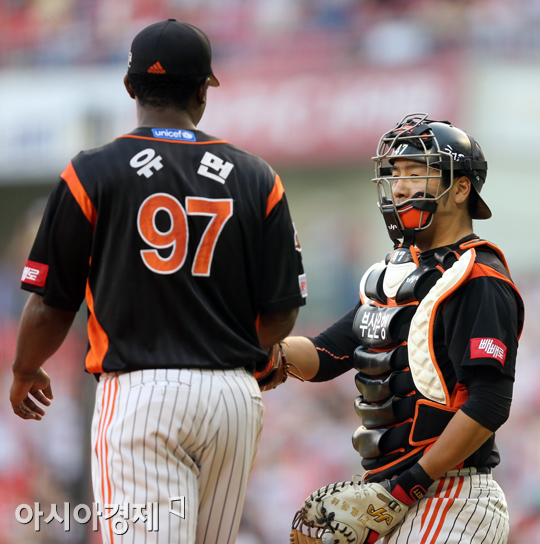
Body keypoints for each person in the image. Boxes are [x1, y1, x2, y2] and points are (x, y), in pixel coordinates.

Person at [9, 19, 307, 544]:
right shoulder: (258, 176)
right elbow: (282, 310)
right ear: (202, 92)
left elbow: (51, 305)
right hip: (233, 399)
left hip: (140, 394)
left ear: (130, 87)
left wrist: (26, 368)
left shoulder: (92, 171)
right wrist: (241, 354)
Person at [283, 113, 523, 543]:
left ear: (461, 187)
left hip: (451, 495)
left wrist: (406, 485)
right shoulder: (391, 274)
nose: (399, 186)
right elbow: (323, 356)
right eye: (395, 174)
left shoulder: (478, 275)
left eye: (416, 173)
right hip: (394, 495)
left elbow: (489, 405)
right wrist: (252, 349)